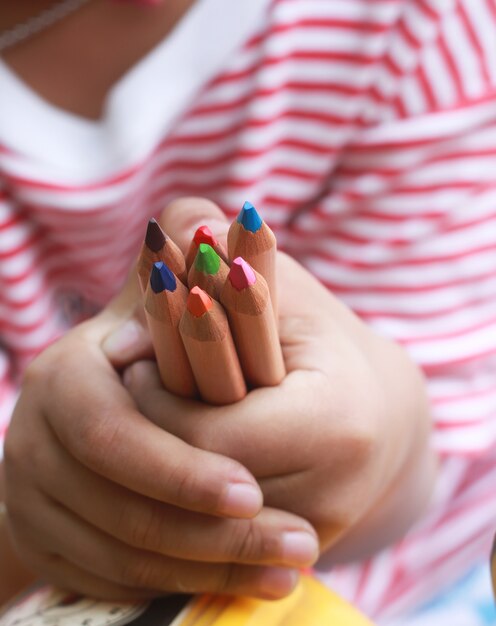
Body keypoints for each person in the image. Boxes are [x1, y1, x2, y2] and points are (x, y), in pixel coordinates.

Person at [0, 0, 494, 623]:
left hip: (418, 595)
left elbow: (453, 430)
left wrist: (392, 428)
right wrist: (34, 514)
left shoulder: (404, 27)